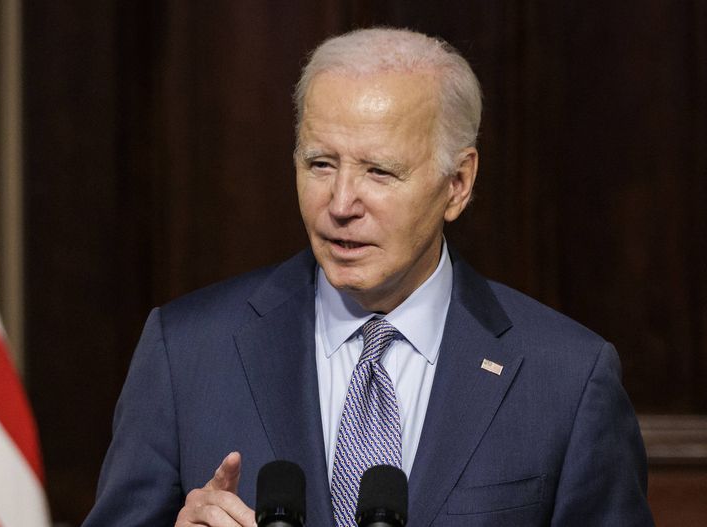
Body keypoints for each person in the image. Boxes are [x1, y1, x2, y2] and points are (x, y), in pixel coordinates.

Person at [82, 28, 653, 526]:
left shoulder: (567, 380)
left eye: (379, 171)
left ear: (457, 182)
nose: (341, 202)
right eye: (320, 164)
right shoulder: (186, 352)